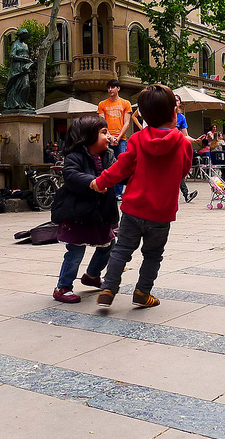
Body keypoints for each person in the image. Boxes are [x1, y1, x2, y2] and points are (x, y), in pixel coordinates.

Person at [90, 84, 193, 308]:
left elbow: (120, 169)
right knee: (153, 255)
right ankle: (142, 292)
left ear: (143, 116)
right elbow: (184, 170)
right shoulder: (183, 144)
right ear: (175, 114)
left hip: (133, 208)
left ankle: (108, 287)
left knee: (122, 250)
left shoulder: (137, 140)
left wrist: (100, 182)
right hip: (161, 212)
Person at [51, 116, 119, 303]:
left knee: (108, 245)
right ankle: (63, 287)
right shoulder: (75, 157)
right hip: (78, 213)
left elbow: (119, 173)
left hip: (101, 213)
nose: (109, 136)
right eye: (104, 132)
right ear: (87, 137)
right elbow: (71, 175)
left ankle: (92, 275)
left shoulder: (109, 156)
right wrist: (92, 182)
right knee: (75, 250)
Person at [97, 79, 134, 198]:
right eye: (108, 87)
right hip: (106, 139)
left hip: (121, 138)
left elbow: (127, 122)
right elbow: (102, 123)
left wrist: (118, 137)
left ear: (118, 88)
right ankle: (107, 189)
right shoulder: (102, 104)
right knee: (105, 163)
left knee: (120, 164)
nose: (110, 90)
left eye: (112, 87)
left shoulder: (125, 103)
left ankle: (118, 192)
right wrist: (110, 137)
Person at [173, 95, 199, 203]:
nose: (175, 101)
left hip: (176, 148)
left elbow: (185, 135)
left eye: (177, 100)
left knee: (177, 171)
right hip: (163, 147)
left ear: (180, 103)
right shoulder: (162, 115)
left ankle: (186, 194)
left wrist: (195, 140)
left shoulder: (181, 118)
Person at [3, 28, 34, 110]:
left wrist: (29, 62)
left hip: (25, 68)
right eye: (25, 35)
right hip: (16, 68)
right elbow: (12, 56)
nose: (26, 37)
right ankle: (13, 103)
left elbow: (27, 56)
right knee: (15, 86)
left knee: (26, 85)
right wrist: (24, 59)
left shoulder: (26, 45)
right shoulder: (15, 44)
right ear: (20, 35)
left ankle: (23, 103)